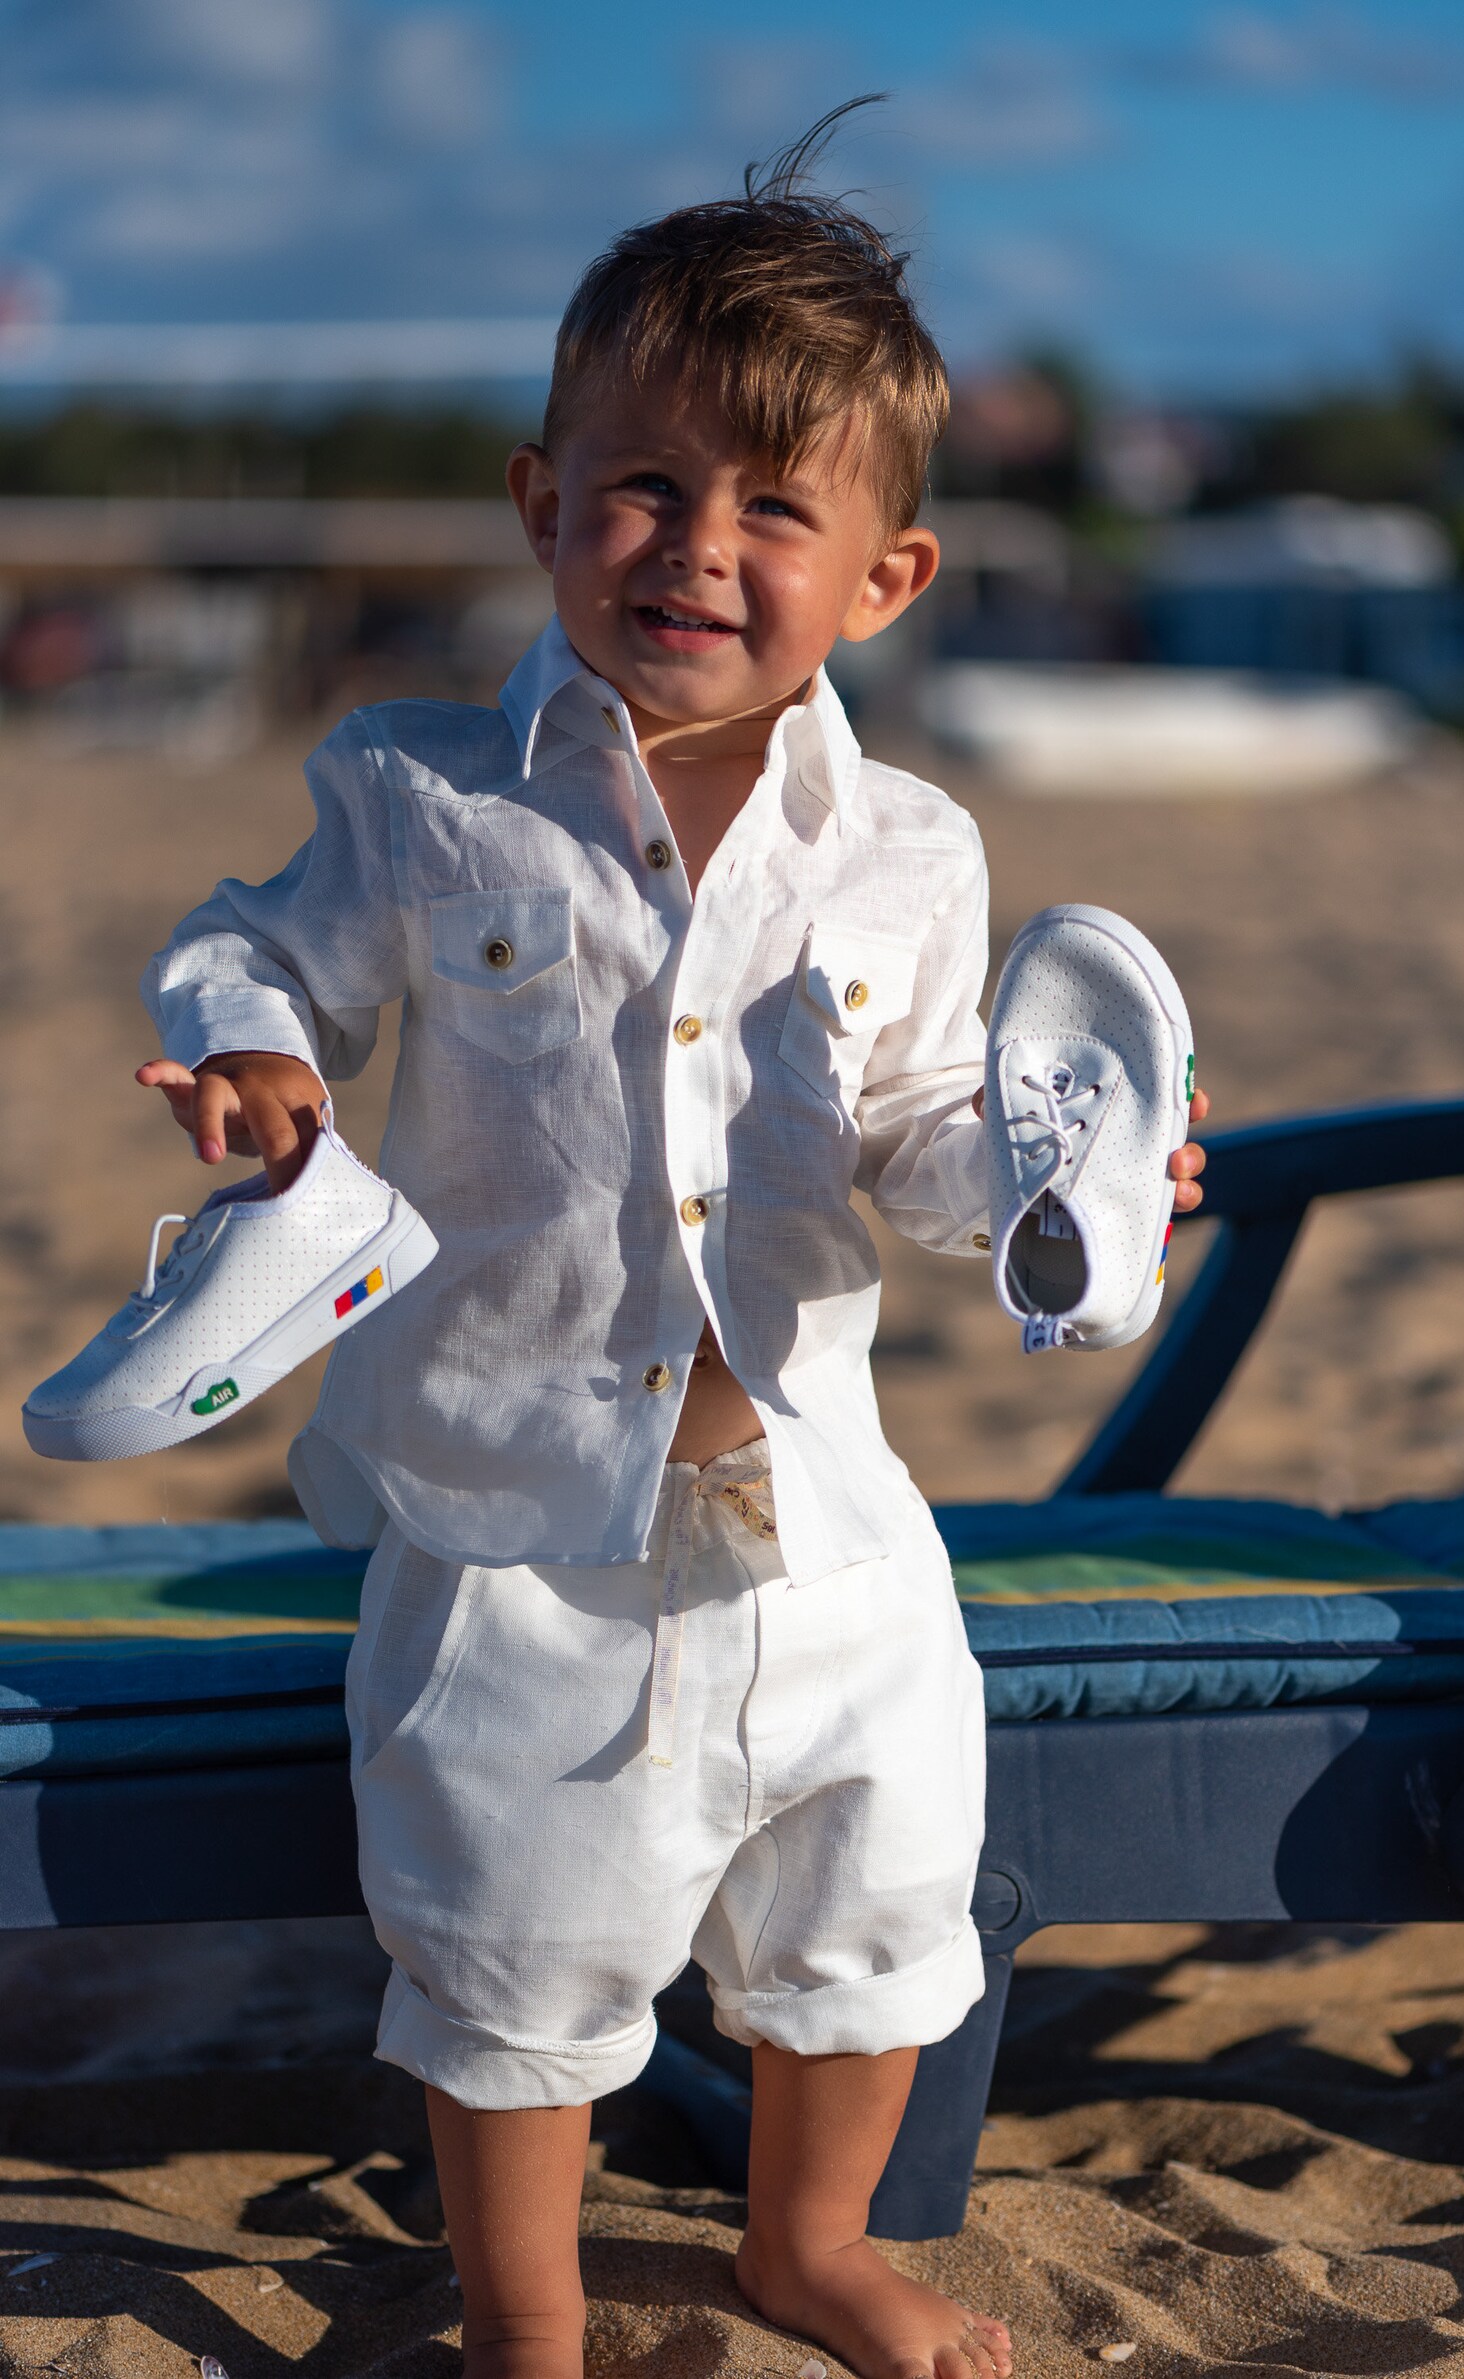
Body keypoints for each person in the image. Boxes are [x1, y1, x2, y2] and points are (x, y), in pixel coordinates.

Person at [138, 107, 1207, 2379]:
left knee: (878, 1894)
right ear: (543, 500)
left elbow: (916, 1131)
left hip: (817, 1508)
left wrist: (1037, 1191)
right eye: (639, 485)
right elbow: (262, 950)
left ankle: (803, 2242)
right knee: (508, 1946)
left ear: (885, 577)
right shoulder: (422, 790)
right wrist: (255, 1062)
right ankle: (522, 2313)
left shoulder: (906, 848)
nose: (693, 545)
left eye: (769, 507)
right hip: (523, 1512)